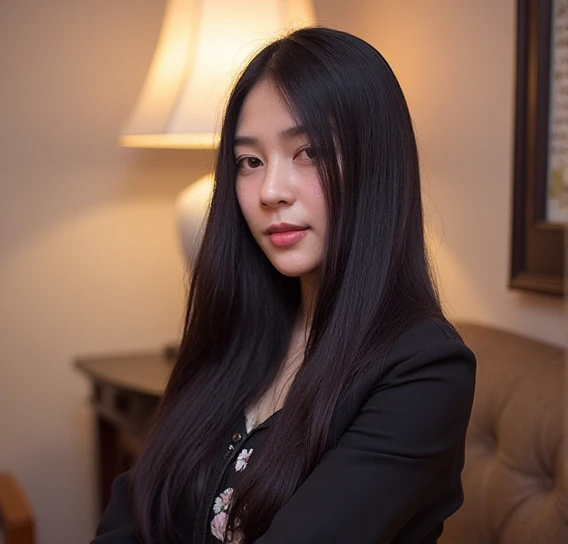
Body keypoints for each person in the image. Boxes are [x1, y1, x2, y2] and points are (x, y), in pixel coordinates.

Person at [92, 26, 476, 544]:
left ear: (375, 165)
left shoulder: (424, 368)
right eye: (250, 161)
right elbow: (137, 506)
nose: (270, 191)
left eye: (309, 152)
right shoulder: (242, 328)